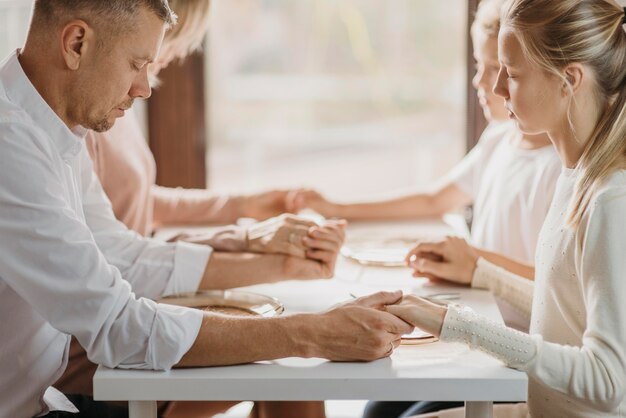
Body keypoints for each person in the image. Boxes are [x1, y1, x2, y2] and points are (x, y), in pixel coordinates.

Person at [0, 1, 414, 417]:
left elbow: (122, 256)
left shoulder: (55, 131)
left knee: (286, 376)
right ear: (76, 43)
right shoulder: (10, 148)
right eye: (136, 64)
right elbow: (118, 328)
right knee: (286, 370)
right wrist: (311, 333)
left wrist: (282, 270)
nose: (143, 88)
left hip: (45, 402)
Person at [52, 1, 329, 417]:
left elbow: (136, 214)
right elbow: (118, 264)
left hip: (136, 298)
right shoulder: (86, 113)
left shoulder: (113, 105)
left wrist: (242, 208)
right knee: (289, 369)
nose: (181, 52)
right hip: (93, 346)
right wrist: (261, 251)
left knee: (289, 369)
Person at [387, 0, 626, 417]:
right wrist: (471, 285)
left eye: (511, 75)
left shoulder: (610, 199)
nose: (497, 89)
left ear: (568, 80)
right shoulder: (578, 173)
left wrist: (460, 326)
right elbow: (564, 311)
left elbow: (608, 382)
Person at [361, 1, 558, 416]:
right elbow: (437, 197)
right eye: (485, 66)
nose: (487, 82)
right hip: (475, 332)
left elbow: (561, 291)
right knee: (374, 408)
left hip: (515, 353)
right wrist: (335, 206)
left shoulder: (562, 170)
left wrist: (473, 262)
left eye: (505, 70)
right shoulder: (500, 138)